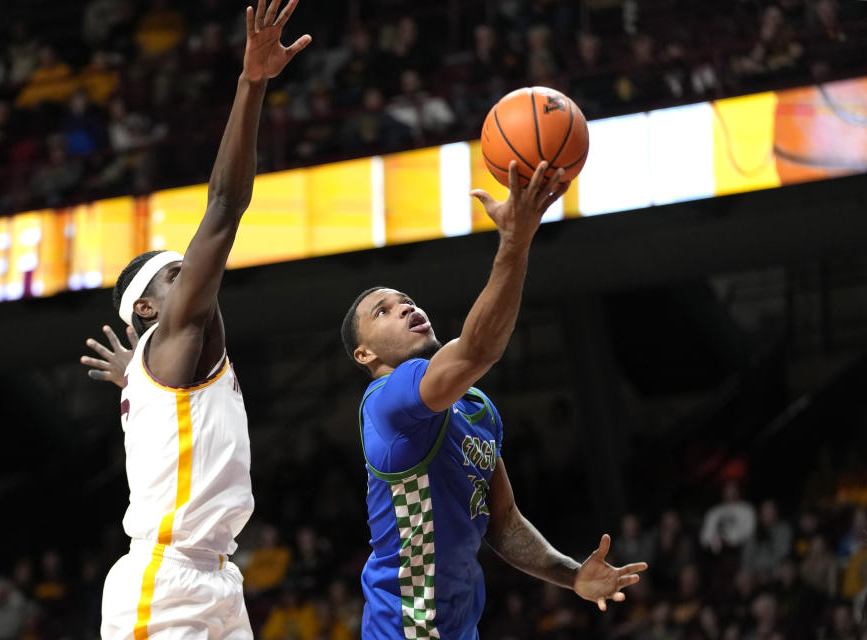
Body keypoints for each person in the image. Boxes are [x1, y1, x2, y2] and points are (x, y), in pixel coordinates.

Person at [339, 160, 648, 638]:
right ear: (364, 353)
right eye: (384, 310)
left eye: (406, 300)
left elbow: (503, 524)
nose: (405, 307)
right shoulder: (386, 401)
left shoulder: (477, 408)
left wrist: (572, 577)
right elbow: (479, 348)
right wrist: (516, 240)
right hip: (406, 630)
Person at [82, 1, 311, 638]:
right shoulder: (176, 337)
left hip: (217, 578)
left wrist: (135, 376)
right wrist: (251, 84)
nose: (195, 276)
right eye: (176, 274)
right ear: (149, 309)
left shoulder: (165, 360)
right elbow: (223, 206)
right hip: (164, 581)